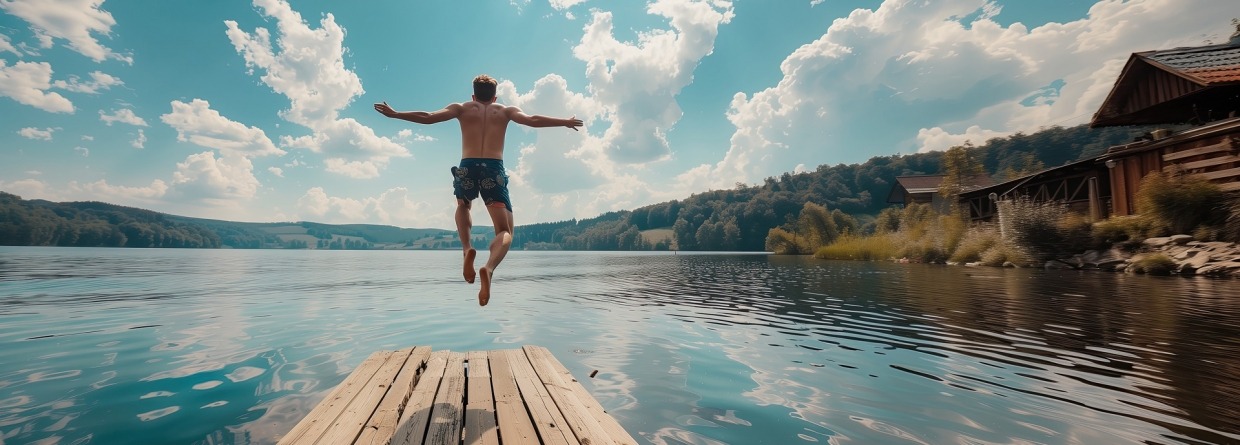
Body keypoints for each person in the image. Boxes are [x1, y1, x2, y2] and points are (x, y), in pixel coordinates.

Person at [374, 74, 582, 306]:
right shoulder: (505, 111)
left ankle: (466, 249)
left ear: (473, 95)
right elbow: (532, 119)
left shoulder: (461, 108)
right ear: (495, 96)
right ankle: (489, 268)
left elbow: (429, 117)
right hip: (493, 168)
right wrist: (564, 121)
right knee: (504, 231)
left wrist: (396, 114)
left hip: (468, 165)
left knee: (463, 205)